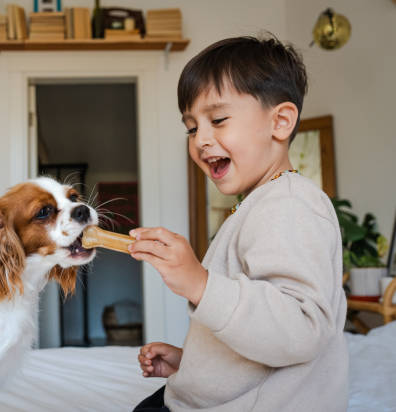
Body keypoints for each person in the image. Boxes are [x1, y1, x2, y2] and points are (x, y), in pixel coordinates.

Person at [128, 35, 348, 412]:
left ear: (280, 121)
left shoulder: (292, 205)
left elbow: (298, 330)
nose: (201, 140)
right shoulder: (260, 206)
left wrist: (199, 282)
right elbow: (258, 332)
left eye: (217, 120)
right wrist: (193, 362)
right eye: (192, 127)